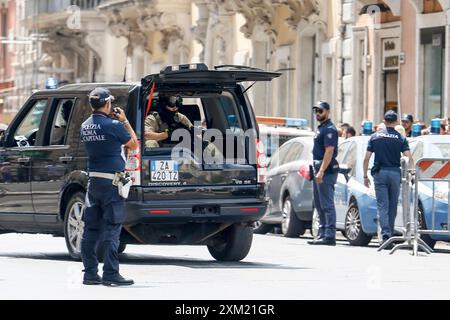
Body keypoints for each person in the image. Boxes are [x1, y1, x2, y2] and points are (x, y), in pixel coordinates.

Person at [80, 87, 138, 286]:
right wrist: (124, 121)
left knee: (90, 229)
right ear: (107, 104)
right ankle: (111, 273)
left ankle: (89, 273)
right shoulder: (114, 125)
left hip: (93, 183)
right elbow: (134, 144)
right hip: (111, 184)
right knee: (112, 228)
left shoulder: (85, 126)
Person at [363, 111, 414, 248]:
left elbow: (366, 158)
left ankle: (386, 235)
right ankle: (389, 233)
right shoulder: (400, 138)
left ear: (384, 121)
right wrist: (412, 173)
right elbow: (409, 157)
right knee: (392, 205)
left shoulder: (375, 137)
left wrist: (365, 176)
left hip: (380, 173)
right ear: (396, 122)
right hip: (395, 173)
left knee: (382, 205)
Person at [308, 101, 339, 246]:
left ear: (327, 111)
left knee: (326, 204)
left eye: (320, 111)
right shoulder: (321, 128)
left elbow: (329, 151)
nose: (318, 114)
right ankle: (321, 233)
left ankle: (329, 235)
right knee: (319, 203)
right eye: (316, 111)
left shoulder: (330, 129)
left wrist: (321, 171)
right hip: (318, 167)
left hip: (326, 170)